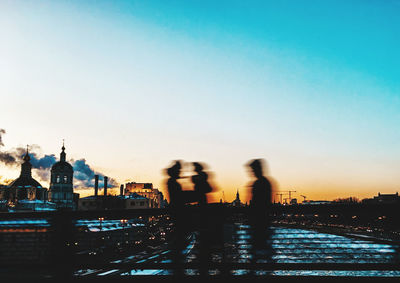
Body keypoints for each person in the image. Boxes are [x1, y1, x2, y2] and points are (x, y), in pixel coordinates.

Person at [247, 159, 273, 269]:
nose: (251, 172)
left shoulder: (259, 183)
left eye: (252, 170)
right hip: (262, 221)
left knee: (256, 251)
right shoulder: (266, 182)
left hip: (259, 222)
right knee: (263, 251)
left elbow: (256, 203)